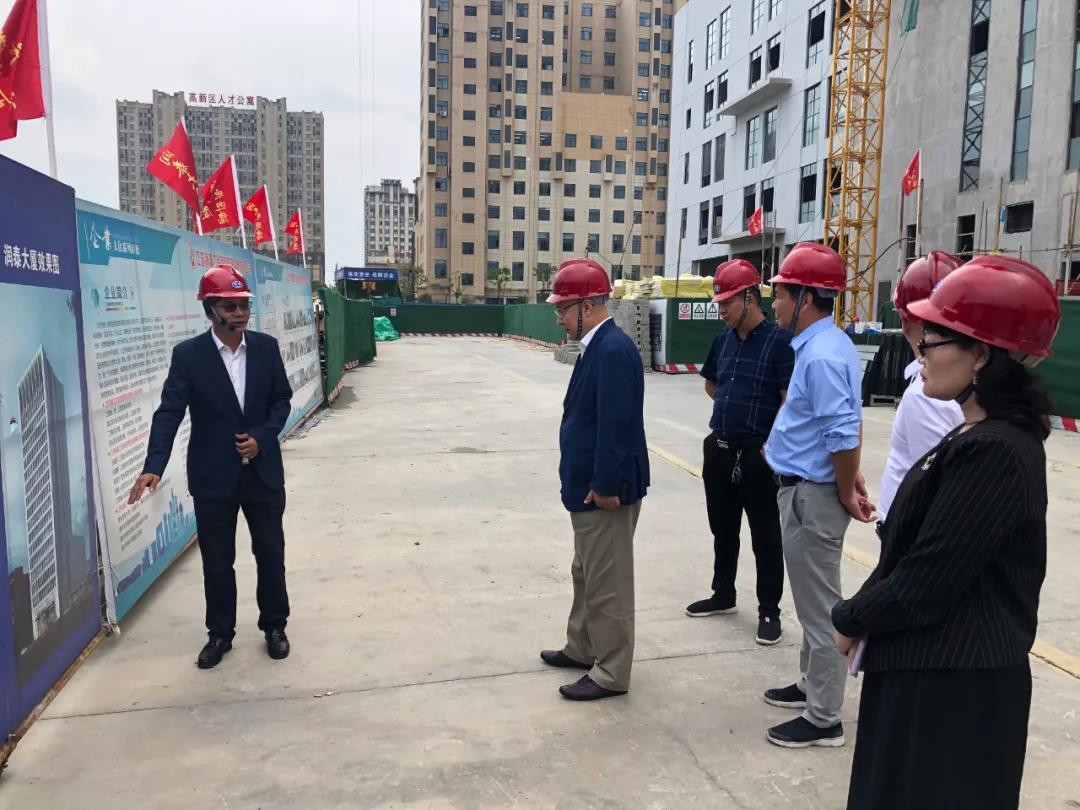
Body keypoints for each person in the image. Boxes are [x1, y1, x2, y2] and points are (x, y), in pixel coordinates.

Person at [832, 255, 1060, 809]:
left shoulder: (995, 452)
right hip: (928, 673)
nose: (922, 353)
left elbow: (927, 578)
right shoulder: (973, 434)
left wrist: (850, 618)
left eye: (934, 340)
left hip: (954, 689)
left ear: (981, 355)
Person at [129, 264, 294, 669]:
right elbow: (169, 412)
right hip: (213, 477)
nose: (240, 313)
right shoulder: (189, 356)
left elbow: (281, 401)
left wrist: (262, 438)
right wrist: (154, 464)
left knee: (270, 554)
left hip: (262, 474)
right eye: (230, 306)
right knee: (217, 562)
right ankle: (220, 634)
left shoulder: (266, 348)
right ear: (211, 310)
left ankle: (275, 625)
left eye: (244, 305)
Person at [760, 242, 875, 749]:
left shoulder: (823, 355)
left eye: (781, 295)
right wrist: (850, 477)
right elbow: (843, 426)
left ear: (805, 298)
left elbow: (843, 433)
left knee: (821, 608)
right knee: (810, 601)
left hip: (812, 496)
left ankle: (824, 717)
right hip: (808, 489)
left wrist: (846, 487)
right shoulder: (827, 345)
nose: (775, 304)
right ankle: (810, 685)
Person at [539, 257, 650, 701]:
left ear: (587, 305)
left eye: (563, 308)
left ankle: (611, 671)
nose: (559, 317)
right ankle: (583, 647)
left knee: (609, 585)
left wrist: (604, 486)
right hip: (586, 489)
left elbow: (615, 426)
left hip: (603, 493)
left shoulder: (613, 351)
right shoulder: (597, 348)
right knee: (585, 573)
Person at [685, 259, 794, 647]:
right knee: (723, 527)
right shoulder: (724, 340)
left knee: (765, 535)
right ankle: (723, 593)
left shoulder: (780, 343)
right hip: (720, 449)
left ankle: (769, 610)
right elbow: (711, 385)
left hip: (757, 455)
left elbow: (788, 402)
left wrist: (765, 443)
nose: (722, 309)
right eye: (718, 303)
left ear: (750, 297)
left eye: (727, 302)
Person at [877, 251, 964, 523]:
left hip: (912, 533)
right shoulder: (959, 380)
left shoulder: (930, 393)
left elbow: (937, 489)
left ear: (906, 322)